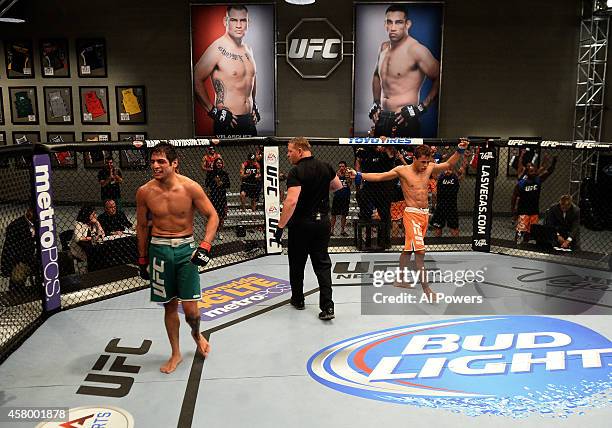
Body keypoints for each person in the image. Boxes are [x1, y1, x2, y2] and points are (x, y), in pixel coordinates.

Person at [136, 142, 219, 374]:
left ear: (174, 163)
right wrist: (142, 259)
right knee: (169, 306)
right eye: (153, 161)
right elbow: (141, 226)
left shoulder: (190, 188)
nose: (155, 165)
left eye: (161, 161)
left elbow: (212, 216)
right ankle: (175, 353)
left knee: (192, 311)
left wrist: (205, 245)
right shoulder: (145, 191)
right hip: (159, 250)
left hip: (186, 251)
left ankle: (196, 333)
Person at [349, 140, 469, 300]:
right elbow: (379, 176)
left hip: (424, 215)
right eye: (423, 162)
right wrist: (359, 175)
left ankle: (400, 279)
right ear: (415, 159)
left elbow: (448, 165)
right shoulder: (403, 170)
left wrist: (459, 151)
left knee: (408, 249)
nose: (426, 165)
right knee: (420, 252)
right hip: (411, 213)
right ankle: (427, 290)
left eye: (428, 161)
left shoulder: (430, 168)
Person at [273, 137, 343, 320]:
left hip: (302, 225)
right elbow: (338, 186)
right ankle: (328, 307)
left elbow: (291, 200)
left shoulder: (296, 171)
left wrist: (280, 227)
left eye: (290, 151)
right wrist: (318, 189)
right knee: (322, 263)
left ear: (301, 150)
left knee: (297, 263)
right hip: (322, 223)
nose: (288, 155)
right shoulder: (326, 166)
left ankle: (298, 299)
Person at [368, 4, 440, 137]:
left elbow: (440, 77)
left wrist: (420, 108)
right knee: (379, 157)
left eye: (398, 22)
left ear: (407, 24)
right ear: (385, 25)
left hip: (404, 119)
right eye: (389, 22)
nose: (393, 28)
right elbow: (376, 76)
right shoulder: (383, 48)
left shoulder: (416, 50)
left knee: (406, 158)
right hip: (382, 118)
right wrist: (376, 102)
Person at [193, 5, 260, 137]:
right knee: (227, 158)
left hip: (249, 121)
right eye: (234, 20)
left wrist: (254, 103)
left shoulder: (248, 49)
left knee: (254, 157)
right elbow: (195, 78)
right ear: (225, 21)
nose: (239, 25)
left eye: (243, 20)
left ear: (248, 23)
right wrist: (213, 112)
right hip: (229, 121)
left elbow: (252, 77)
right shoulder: (217, 48)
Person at [355, 145, 396, 248]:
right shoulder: (365, 151)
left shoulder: (387, 152)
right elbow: (358, 159)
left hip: (384, 189)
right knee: (365, 214)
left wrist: (386, 146)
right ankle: (367, 240)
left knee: (385, 215)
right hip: (369, 187)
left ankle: (385, 240)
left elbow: (392, 153)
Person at [511, 155, 557, 244]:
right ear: (527, 172)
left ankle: (525, 244)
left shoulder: (538, 180)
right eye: (529, 169)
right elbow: (514, 196)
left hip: (534, 211)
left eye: (533, 169)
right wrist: (513, 209)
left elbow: (549, 172)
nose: (531, 170)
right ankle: (516, 245)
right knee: (520, 230)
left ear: (535, 171)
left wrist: (554, 162)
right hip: (523, 211)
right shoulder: (521, 183)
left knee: (530, 231)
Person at [1, 206, 36, 291]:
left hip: (34, 256)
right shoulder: (16, 226)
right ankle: (15, 295)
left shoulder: (40, 223)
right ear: (30, 213)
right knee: (19, 276)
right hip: (21, 259)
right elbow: (14, 249)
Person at [431, 157, 467, 237]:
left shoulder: (455, 177)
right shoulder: (440, 177)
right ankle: (436, 245)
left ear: (452, 169)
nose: (447, 171)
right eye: (446, 169)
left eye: (449, 169)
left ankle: (456, 244)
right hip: (440, 206)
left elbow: (463, 168)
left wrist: (465, 157)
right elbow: (433, 172)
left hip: (452, 207)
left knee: (454, 228)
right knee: (437, 227)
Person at [205, 158, 230, 240]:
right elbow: (207, 184)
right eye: (217, 163)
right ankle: (211, 232)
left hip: (222, 197)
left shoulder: (225, 174)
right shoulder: (210, 173)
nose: (219, 164)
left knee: (221, 216)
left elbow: (228, 185)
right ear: (215, 164)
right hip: (213, 196)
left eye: (220, 163)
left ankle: (220, 232)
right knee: (212, 215)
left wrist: (221, 183)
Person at [330, 161, 352, 236]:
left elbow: (349, 184)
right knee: (333, 214)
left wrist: (346, 176)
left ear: (345, 167)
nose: (341, 168)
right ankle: (331, 231)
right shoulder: (336, 174)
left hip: (345, 197)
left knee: (344, 214)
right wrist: (337, 176)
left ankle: (342, 231)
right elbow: (332, 185)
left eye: (343, 166)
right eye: (340, 166)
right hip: (337, 197)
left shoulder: (348, 174)